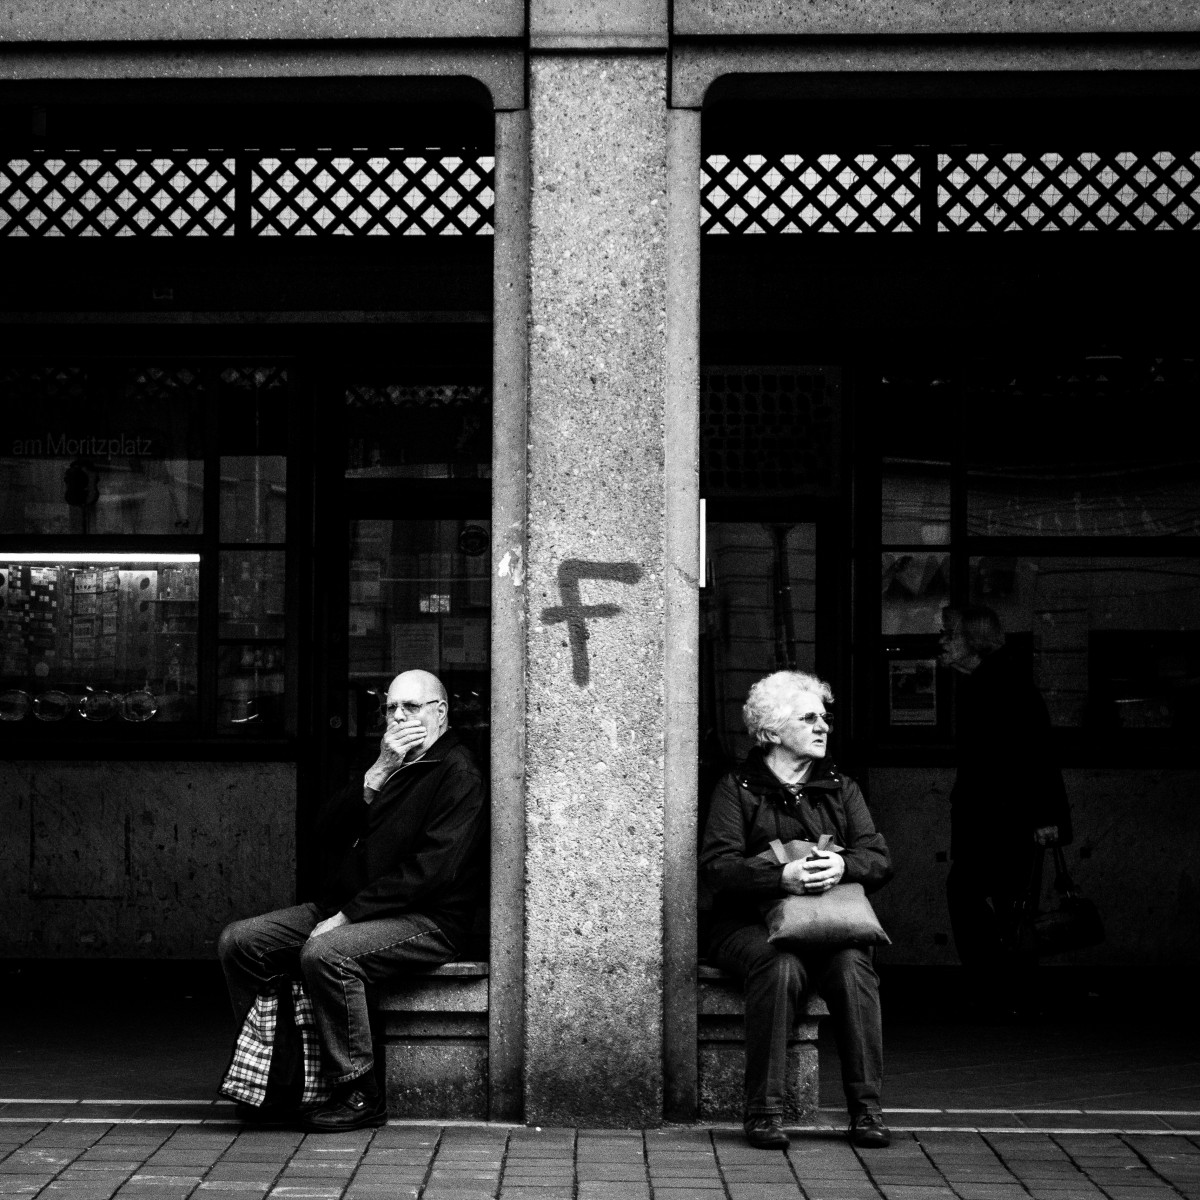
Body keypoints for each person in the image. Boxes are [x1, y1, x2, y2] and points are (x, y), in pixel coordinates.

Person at [217, 669, 486, 1132]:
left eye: (412, 706)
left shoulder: (457, 773)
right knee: (241, 942)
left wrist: (346, 917)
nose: (398, 716)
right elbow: (325, 831)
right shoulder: (386, 758)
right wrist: (378, 771)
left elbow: (431, 872)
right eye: (391, 708)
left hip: (429, 919)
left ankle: (359, 1090)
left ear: (440, 713)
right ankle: (281, 1075)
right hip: (345, 904)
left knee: (327, 953)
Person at [700, 670, 893, 1152]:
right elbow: (717, 867)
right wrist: (778, 878)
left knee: (853, 966)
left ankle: (866, 1110)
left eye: (824, 717)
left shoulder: (841, 788)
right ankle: (764, 1112)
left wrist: (842, 865)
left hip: (827, 922)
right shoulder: (737, 787)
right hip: (745, 924)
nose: (823, 726)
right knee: (779, 965)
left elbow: (879, 858)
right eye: (809, 718)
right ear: (771, 729)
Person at [939, 605, 1072, 1011]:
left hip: (1004, 817)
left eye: (950, 635)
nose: (943, 643)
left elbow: (1036, 752)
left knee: (992, 899)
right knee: (1005, 901)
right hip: (997, 816)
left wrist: (1047, 816)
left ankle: (1000, 988)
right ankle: (1007, 989)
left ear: (973, 641)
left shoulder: (1001, 683)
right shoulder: (987, 680)